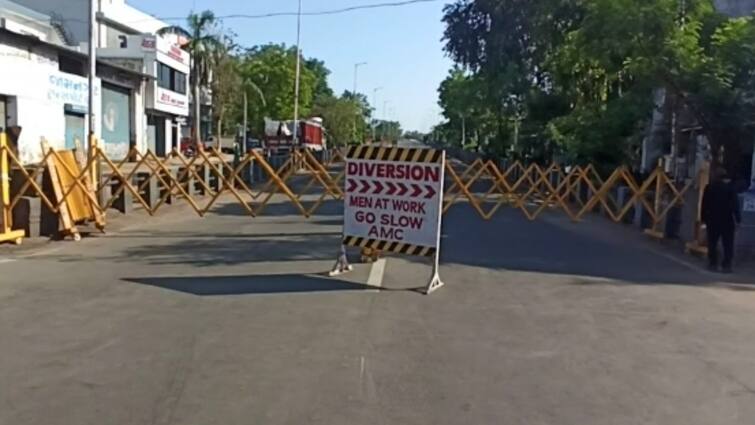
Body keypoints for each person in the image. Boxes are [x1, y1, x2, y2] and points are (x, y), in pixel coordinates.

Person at [702, 167, 742, 272]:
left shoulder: (709, 188)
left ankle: (713, 263)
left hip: (712, 219)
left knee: (712, 242)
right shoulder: (730, 189)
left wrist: (703, 218)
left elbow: (704, 204)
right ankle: (727, 264)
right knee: (728, 243)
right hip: (727, 220)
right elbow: (735, 205)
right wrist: (738, 219)